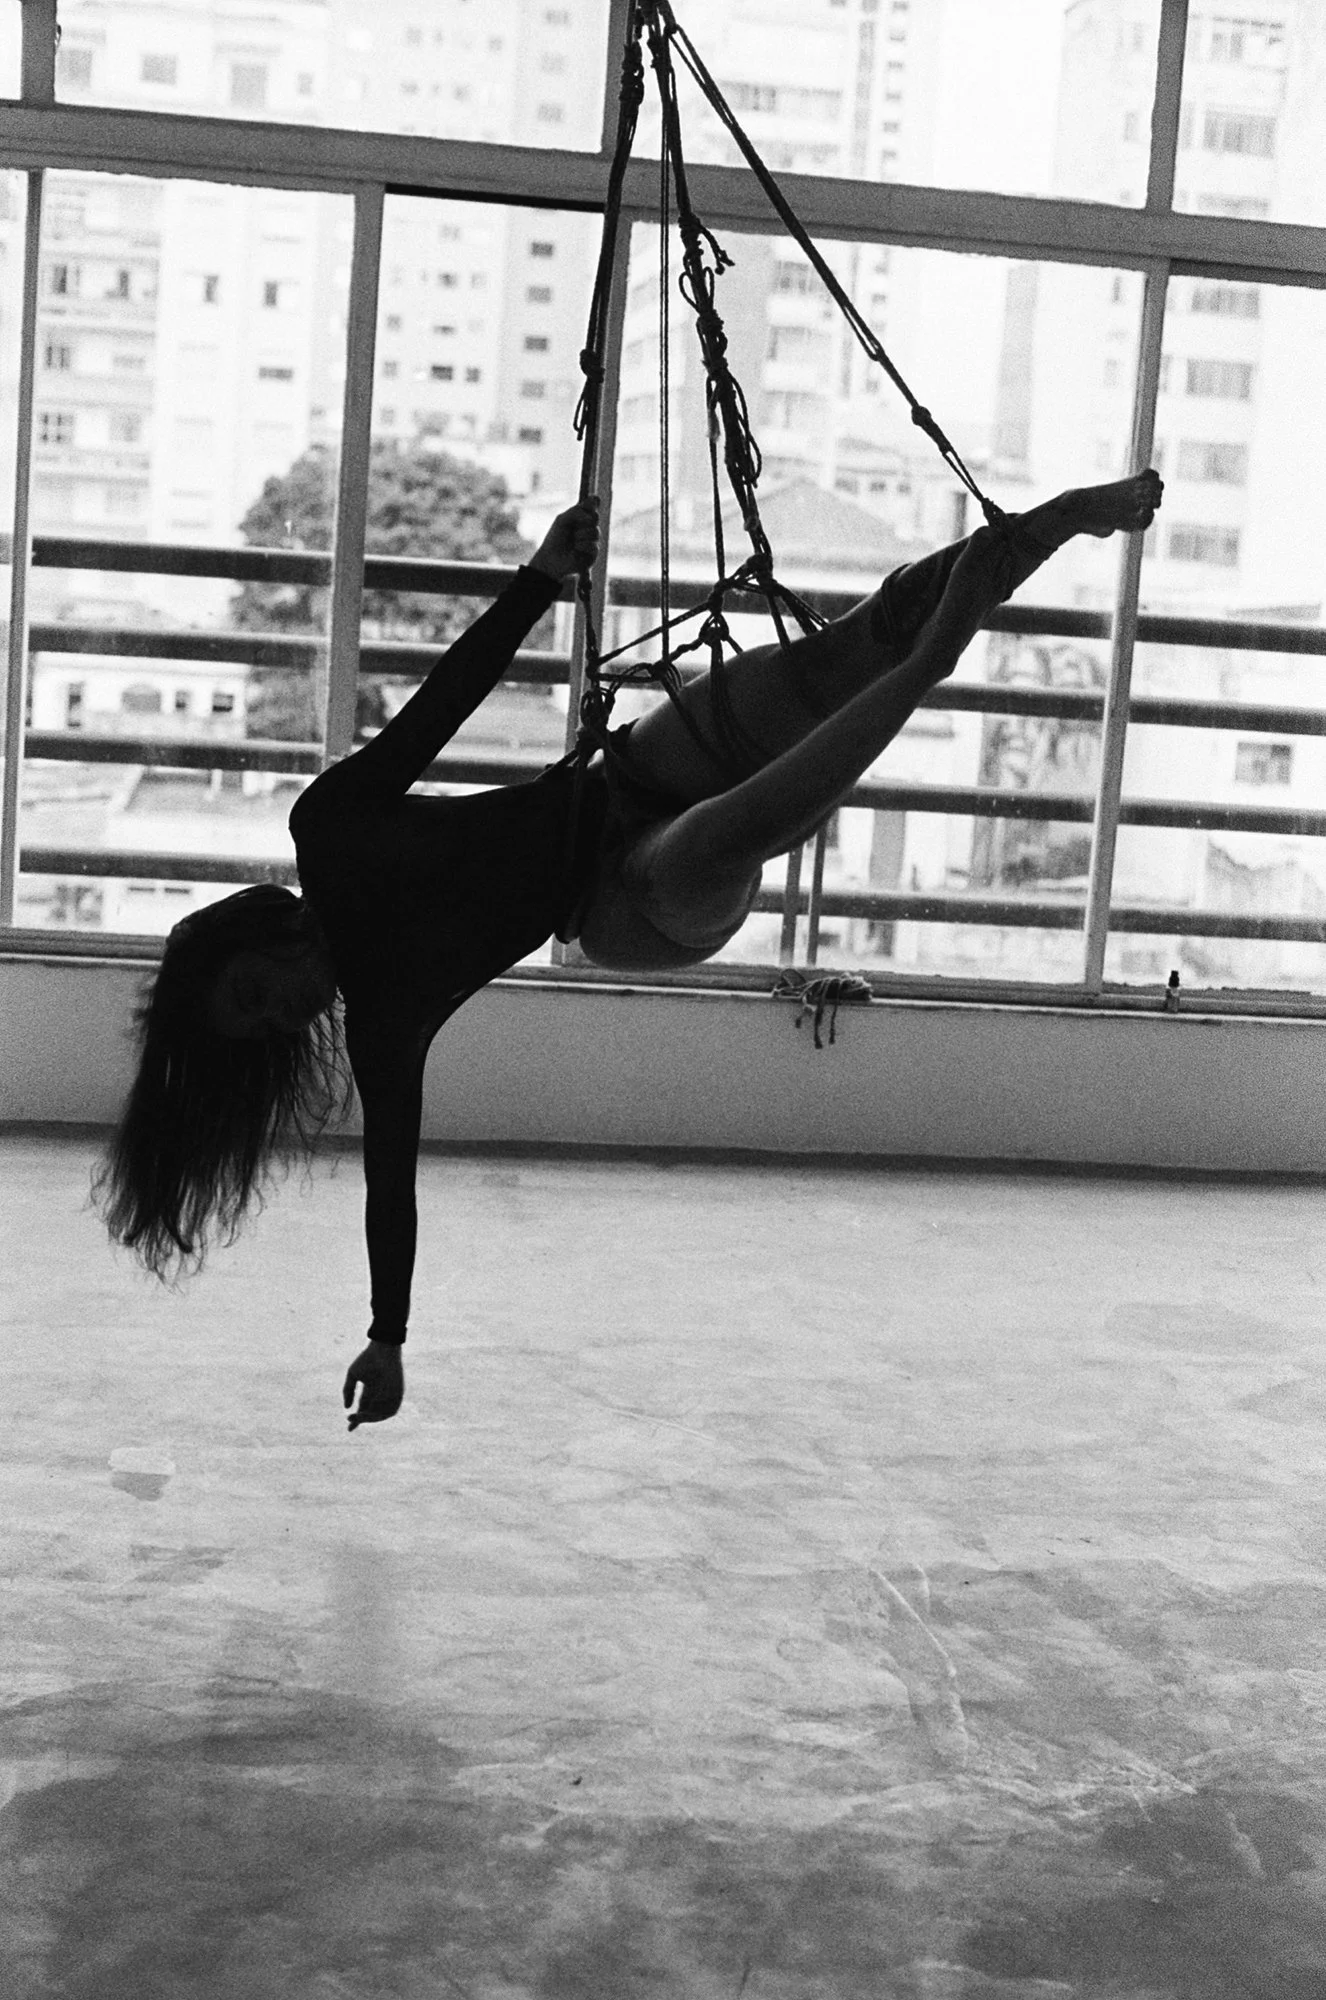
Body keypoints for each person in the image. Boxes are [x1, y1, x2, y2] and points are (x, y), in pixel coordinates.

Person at [96, 469, 1163, 1430]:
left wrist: (544, 575)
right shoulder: (383, 1016)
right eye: (267, 1028)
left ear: (256, 930)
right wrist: (389, 1333)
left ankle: (1047, 528)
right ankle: (932, 668)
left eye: (254, 992)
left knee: (855, 641)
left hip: (622, 782)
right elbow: (391, 1185)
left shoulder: (326, 826)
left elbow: (441, 702)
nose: (287, 1011)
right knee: (724, 834)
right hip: (626, 908)